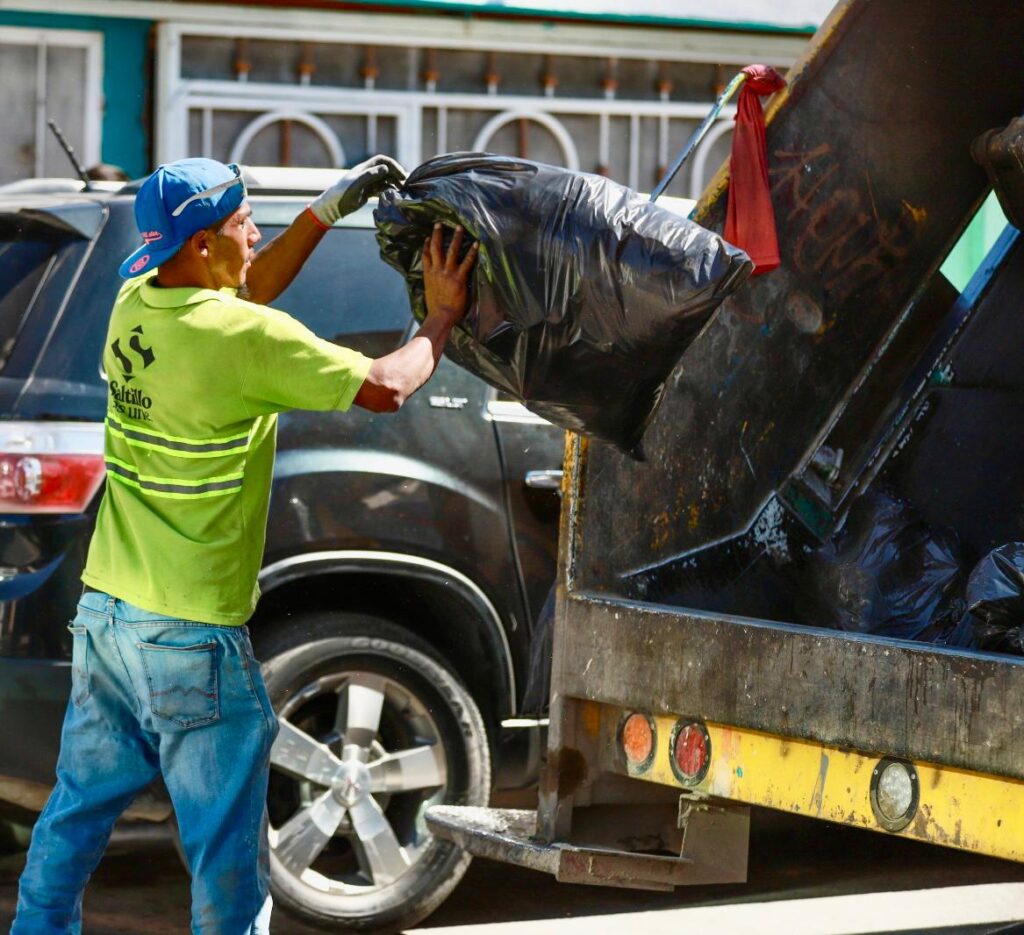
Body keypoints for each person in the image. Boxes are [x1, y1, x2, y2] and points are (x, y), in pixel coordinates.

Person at [12, 156, 478, 934]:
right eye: (241, 225)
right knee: (227, 860)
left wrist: (324, 214)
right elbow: (389, 385)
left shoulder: (136, 303)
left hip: (111, 619)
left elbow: (248, 287)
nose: (255, 235)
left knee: (74, 814)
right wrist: (440, 315)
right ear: (199, 247)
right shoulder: (244, 339)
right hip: (190, 635)